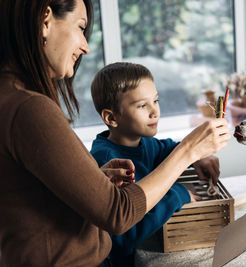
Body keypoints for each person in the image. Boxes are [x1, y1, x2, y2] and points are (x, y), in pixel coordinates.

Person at [0, 1, 230, 266]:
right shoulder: (29, 108)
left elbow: (34, 197)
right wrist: (189, 151)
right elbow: (118, 214)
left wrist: (94, 181)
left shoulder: (10, 99)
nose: (85, 46)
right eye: (80, 27)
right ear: (45, 20)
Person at [90, 62, 221, 266]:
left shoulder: (143, 142)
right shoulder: (108, 160)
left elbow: (170, 150)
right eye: (143, 105)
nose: (155, 112)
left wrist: (197, 158)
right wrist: (180, 193)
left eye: (156, 100)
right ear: (111, 117)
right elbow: (126, 233)